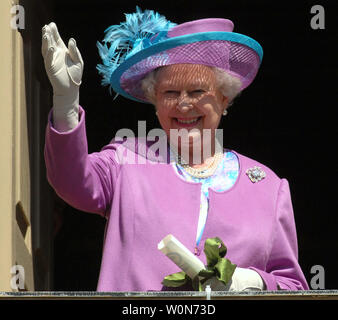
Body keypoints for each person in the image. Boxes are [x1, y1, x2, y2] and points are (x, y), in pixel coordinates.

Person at [41, 7, 309, 291]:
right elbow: (71, 181)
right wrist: (66, 101)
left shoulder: (267, 187)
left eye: (196, 92)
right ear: (155, 103)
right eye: (169, 93)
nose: (183, 104)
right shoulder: (126, 161)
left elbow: (293, 287)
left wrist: (249, 281)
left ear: (224, 98)